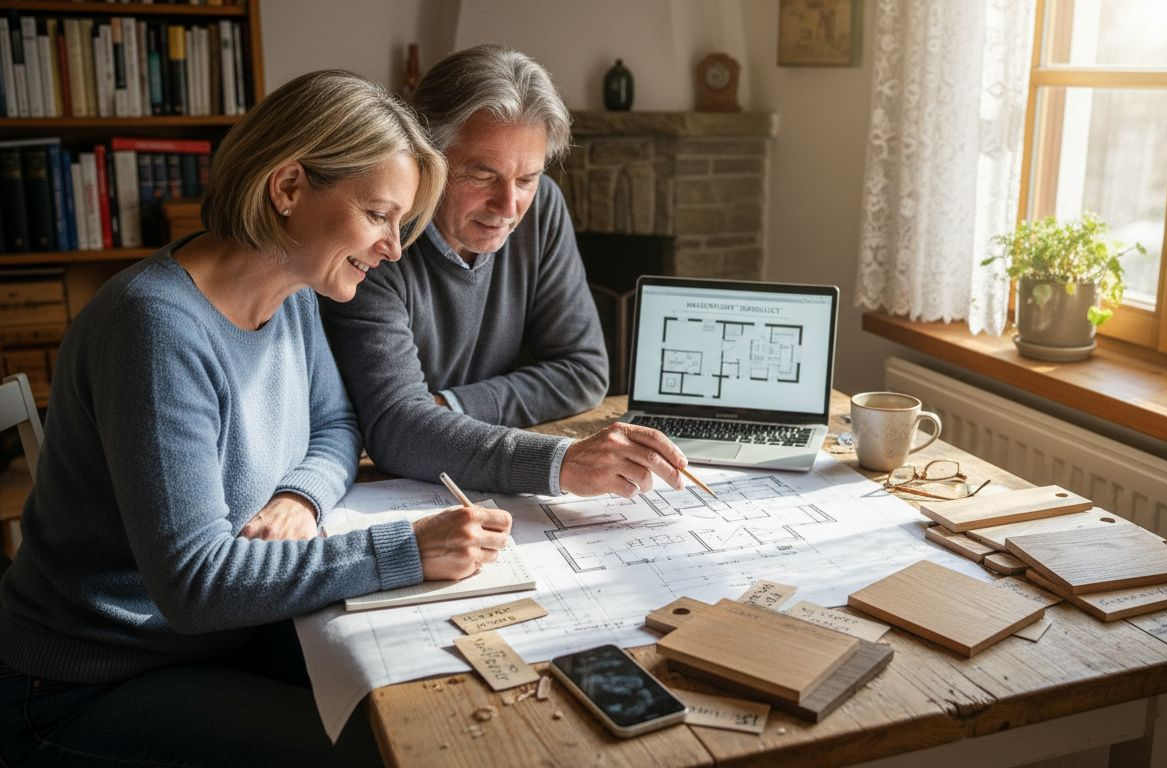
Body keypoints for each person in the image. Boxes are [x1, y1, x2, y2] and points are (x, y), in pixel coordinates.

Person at [0, 70, 505, 767]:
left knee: (433, 699)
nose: (394, 247)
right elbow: (197, 586)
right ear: (289, 188)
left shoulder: (293, 290)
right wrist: (406, 550)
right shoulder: (155, 327)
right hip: (87, 681)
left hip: (222, 637)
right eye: (379, 215)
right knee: (384, 752)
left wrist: (298, 495)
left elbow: (336, 428)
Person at [320, 45, 687, 500]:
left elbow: (583, 370)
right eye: (482, 175)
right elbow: (396, 428)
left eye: (527, 178)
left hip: (468, 476)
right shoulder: (377, 238)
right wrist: (561, 462)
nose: (509, 207)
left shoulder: (543, 208)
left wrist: (447, 407)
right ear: (424, 157)